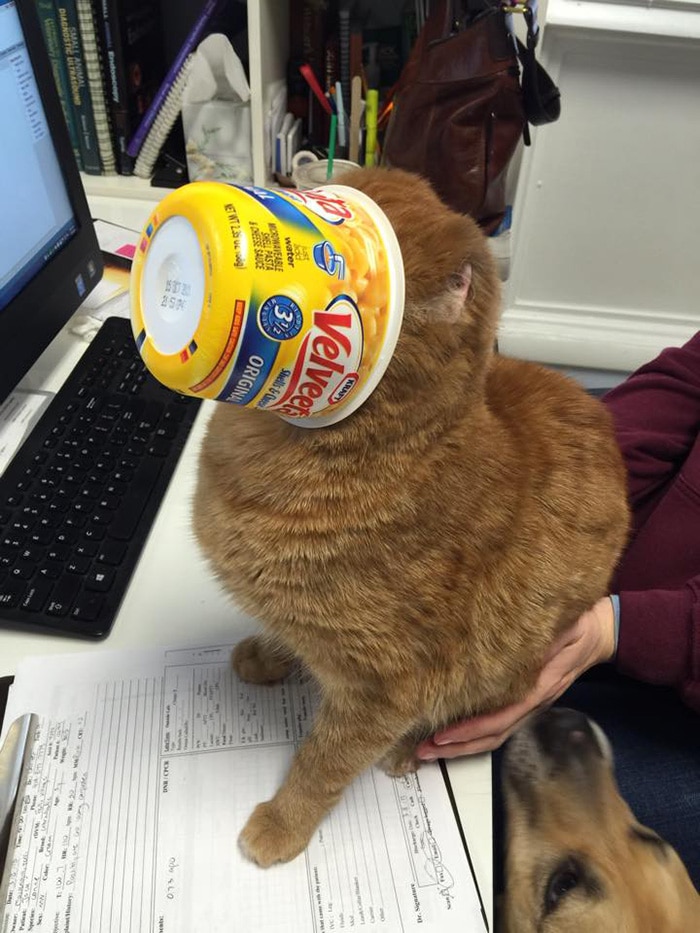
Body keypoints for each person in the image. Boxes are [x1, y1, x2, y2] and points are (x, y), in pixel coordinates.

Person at [417, 331, 700, 888]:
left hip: (673, 691)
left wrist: (614, 629)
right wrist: (549, 518)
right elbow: (675, 394)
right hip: (606, 602)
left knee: (459, 806)